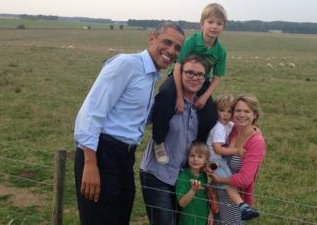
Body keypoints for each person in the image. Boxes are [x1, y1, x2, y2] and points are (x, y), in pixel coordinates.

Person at [73, 22, 185, 225]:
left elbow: (135, 116)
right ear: (152, 39)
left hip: (124, 158)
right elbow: (90, 113)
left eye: (177, 48)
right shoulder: (126, 64)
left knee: (119, 217)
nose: (172, 51)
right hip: (101, 153)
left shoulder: (151, 75)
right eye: (167, 42)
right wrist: (90, 164)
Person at [140, 54, 213, 225]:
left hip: (185, 177)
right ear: (179, 74)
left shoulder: (203, 109)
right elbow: (138, 118)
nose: (194, 78)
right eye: (189, 73)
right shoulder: (166, 100)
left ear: (204, 79)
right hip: (158, 174)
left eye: (199, 74)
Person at [152, 3, 227, 164]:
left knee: (210, 116)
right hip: (180, 75)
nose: (214, 26)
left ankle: (196, 149)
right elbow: (178, 66)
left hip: (201, 80)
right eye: (210, 22)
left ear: (223, 27)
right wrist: (179, 96)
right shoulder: (192, 41)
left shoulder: (221, 51)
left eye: (219, 23)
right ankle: (158, 141)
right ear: (202, 23)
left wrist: (205, 97)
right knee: (165, 96)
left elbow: (217, 76)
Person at [208, 94, 266, 225]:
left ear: (255, 114)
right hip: (216, 196)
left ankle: (244, 208)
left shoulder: (256, 142)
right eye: (238, 110)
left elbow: (245, 179)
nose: (241, 115)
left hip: (233, 203)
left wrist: (220, 179)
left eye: (246, 111)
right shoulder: (231, 129)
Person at [175, 142, 213, 225]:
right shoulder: (183, 176)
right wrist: (193, 190)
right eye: (192, 155)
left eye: (200, 157)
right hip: (188, 221)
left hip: (203, 219)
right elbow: (182, 203)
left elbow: (208, 197)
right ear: (187, 157)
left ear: (206, 160)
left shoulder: (205, 176)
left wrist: (210, 213)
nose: (195, 159)